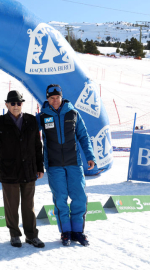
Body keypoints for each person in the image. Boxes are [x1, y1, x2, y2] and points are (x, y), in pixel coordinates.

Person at [36, 84, 96, 247]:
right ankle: (66, 232)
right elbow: (32, 138)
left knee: (79, 197)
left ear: (62, 97)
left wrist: (90, 156)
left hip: (74, 163)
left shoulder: (73, 113)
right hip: (54, 165)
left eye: (57, 98)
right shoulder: (42, 116)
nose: (55, 101)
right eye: (51, 98)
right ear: (47, 99)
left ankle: (78, 231)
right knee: (60, 199)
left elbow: (83, 136)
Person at [0, 90, 45, 248]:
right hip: (9, 171)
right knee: (11, 206)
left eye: (19, 103)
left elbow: (37, 146)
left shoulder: (31, 120)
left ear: (22, 104)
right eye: (12, 103)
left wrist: (40, 167)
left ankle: (32, 235)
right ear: (6, 104)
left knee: (28, 206)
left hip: (29, 170)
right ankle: (14, 234)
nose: (16, 106)